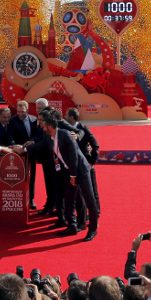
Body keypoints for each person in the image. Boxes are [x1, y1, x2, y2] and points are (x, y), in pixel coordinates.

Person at [37, 113, 99, 241]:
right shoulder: (49, 138)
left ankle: (92, 229)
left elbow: (74, 156)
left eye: (43, 126)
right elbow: (41, 145)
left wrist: (73, 176)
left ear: (49, 127)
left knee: (90, 201)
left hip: (81, 172)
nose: (42, 128)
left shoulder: (65, 135)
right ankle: (71, 226)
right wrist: (23, 149)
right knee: (69, 200)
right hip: (68, 172)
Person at [65, 107, 100, 221]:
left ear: (71, 117)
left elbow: (95, 146)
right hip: (75, 167)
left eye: (66, 115)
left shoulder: (83, 128)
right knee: (79, 194)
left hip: (86, 166)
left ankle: (96, 213)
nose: (64, 117)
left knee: (92, 191)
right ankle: (83, 216)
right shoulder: (65, 129)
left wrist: (91, 163)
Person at [8, 100, 39, 209]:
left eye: (23, 112)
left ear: (27, 110)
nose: (20, 114)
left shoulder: (34, 120)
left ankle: (31, 200)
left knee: (32, 176)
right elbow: (10, 135)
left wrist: (32, 142)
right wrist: (14, 146)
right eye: (19, 111)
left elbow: (37, 135)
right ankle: (20, 199)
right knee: (20, 176)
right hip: (19, 153)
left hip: (31, 152)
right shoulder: (13, 121)